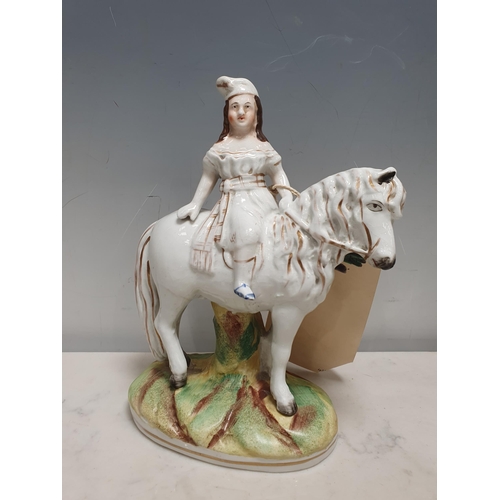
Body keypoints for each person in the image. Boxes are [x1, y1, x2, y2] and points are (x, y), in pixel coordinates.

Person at [177, 76, 293, 300]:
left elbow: (278, 172)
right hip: (237, 201)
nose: (241, 112)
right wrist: (195, 204)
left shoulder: (263, 147)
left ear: (256, 113)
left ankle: (275, 278)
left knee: (281, 233)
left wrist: (286, 195)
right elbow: (208, 177)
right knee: (247, 231)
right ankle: (241, 280)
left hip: (264, 200)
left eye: (247, 107)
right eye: (235, 107)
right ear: (226, 113)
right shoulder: (221, 148)